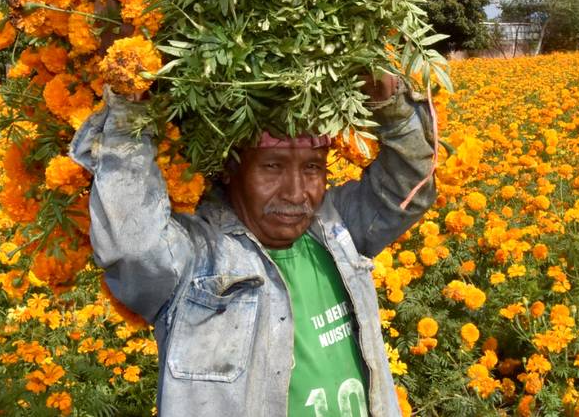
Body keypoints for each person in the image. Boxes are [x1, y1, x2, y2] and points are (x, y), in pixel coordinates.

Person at [70, 73, 436, 416]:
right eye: (272, 167)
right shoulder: (196, 259)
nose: (296, 194)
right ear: (230, 168)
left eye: (312, 168)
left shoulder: (335, 227)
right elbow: (133, 246)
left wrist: (393, 109)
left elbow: (409, 191)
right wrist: (129, 104)